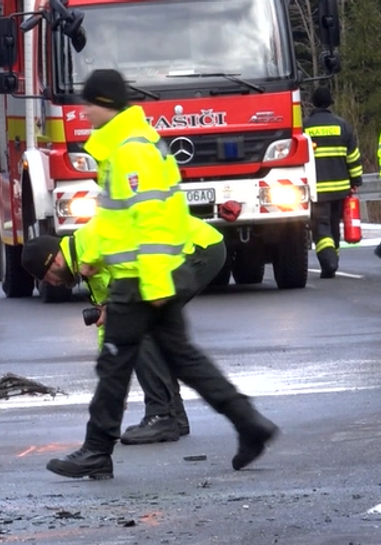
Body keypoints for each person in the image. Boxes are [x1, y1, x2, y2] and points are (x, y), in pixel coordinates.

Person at [36, 69, 278, 480]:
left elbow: (151, 221)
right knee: (184, 359)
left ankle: (97, 450)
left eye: (89, 104)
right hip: (145, 274)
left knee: (114, 364)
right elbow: (122, 220)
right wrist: (99, 260)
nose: (84, 111)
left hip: (143, 279)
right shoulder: (127, 147)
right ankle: (250, 424)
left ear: (107, 105)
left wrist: (151, 284)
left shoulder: (131, 151)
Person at [21, 214, 226, 445]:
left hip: (196, 248)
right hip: (185, 253)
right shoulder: (88, 272)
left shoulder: (92, 240)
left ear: (55, 262)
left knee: (139, 326)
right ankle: (173, 415)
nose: (51, 284)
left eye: (47, 278)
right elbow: (109, 330)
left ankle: (161, 415)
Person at [304, 86, 364, 278]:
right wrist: (355, 181)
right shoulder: (343, 126)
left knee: (321, 226)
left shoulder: (305, 127)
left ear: (313, 103)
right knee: (334, 225)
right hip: (340, 188)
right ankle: (333, 259)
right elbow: (353, 158)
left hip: (317, 190)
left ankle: (329, 261)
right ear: (330, 103)